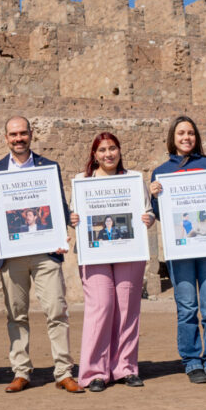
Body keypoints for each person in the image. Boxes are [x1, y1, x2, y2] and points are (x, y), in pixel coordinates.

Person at [0, 116, 82, 394]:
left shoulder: (48, 167)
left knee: (56, 311)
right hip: (13, 255)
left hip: (45, 253)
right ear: (6, 138)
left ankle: (63, 371)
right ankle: (21, 371)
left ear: (31, 135)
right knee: (16, 315)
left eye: (23, 133)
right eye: (13, 134)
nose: (18, 139)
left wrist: (63, 232)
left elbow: (57, 205)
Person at [69, 132, 153, 392]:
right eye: (102, 150)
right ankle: (94, 371)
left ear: (119, 151)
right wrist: (73, 219)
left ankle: (125, 368)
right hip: (95, 254)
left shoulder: (134, 179)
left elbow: (147, 211)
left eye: (112, 148)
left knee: (128, 308)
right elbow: (74, 213)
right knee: (101, 307)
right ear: (94, 155)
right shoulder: (82, 182)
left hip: (129, 251)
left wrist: (147, 219)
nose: (108, 154)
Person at [150, 116, 206, 384]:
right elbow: (160, 214)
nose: (186, 137)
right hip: (180, 250)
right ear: (172, 137)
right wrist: (154, 194)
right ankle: (192, 359)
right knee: (186, 307)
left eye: (191, 133)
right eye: (181, 133)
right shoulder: (161, 171)